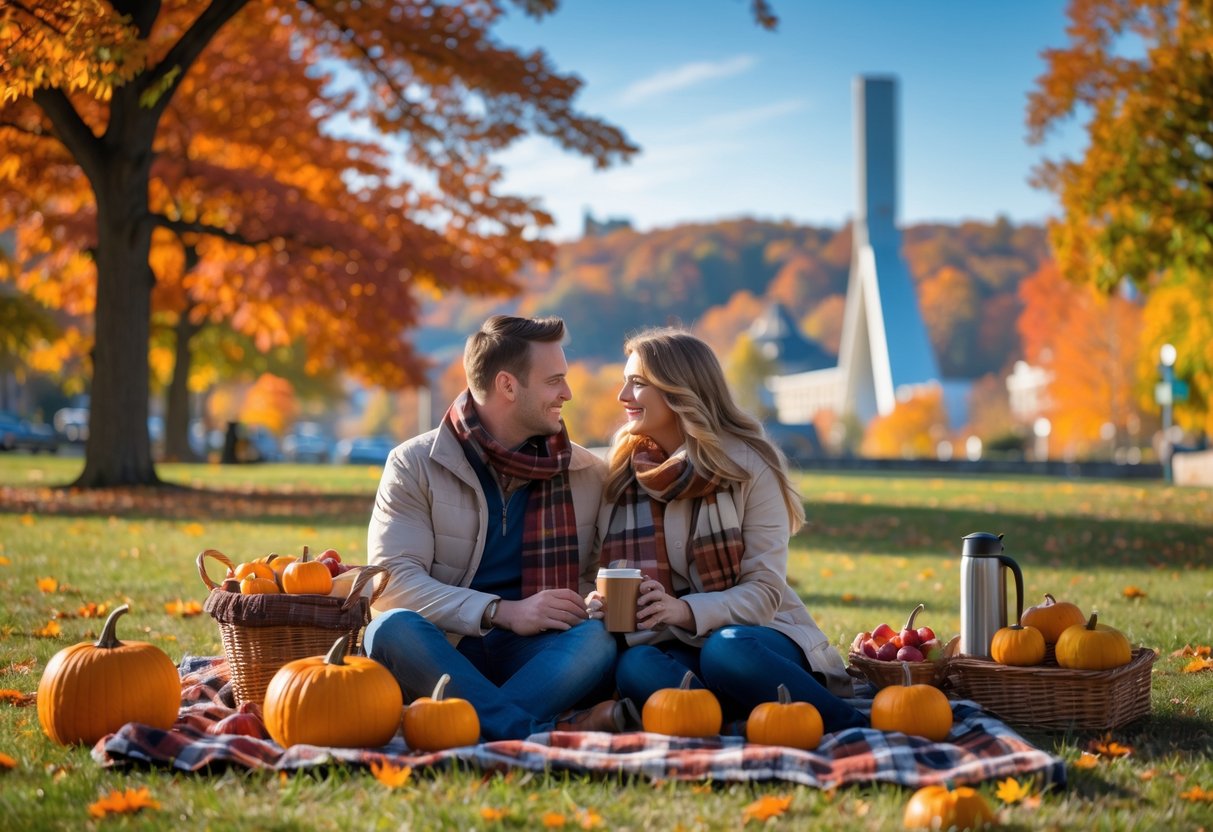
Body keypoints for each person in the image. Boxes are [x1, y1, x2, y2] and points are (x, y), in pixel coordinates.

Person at [364, 315, 638, 741]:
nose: (567, 393)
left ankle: (469, 723)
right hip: (445, 647)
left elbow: (599, 578)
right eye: (554, 381)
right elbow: (391, 581)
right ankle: (541, 728)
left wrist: (594, 603)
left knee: (596, 640)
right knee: (390, 627)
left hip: (539, 655)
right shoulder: (413, 464)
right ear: (508, 386)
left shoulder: (587, 472)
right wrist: (501, 611)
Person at [589, 327, 866, 735]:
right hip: (665, 642)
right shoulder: (621, 472)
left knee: (726, 650)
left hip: (758, 634)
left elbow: (765, 593)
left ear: (678, 390)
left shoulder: (750, 465)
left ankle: (848, 725)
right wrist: (596, 601)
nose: (622, 396)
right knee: (635, 665)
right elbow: (595, 569)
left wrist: (683, 610)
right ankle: (739, 723)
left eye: (638, 383)